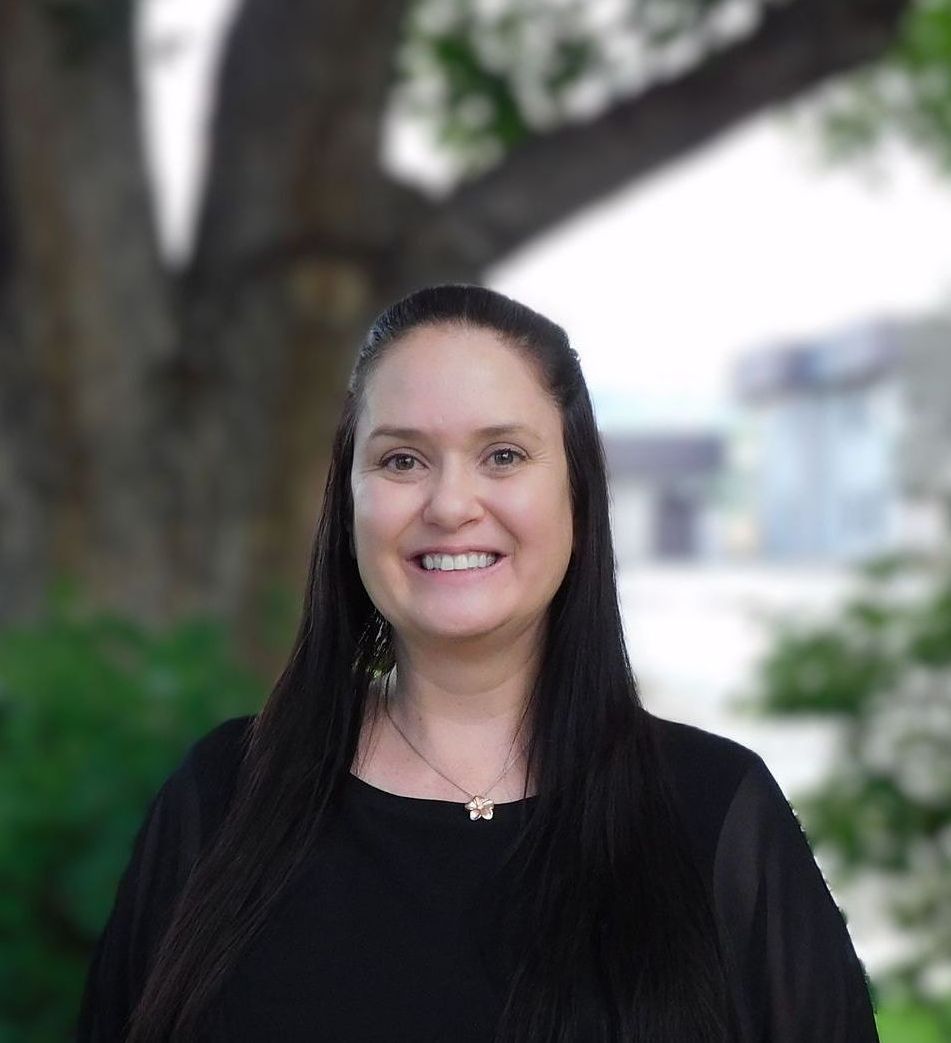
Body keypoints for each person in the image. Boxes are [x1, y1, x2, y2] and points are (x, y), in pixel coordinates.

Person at [77, 284, 879, 1042]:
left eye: (502, 455)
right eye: (401, 460)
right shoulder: (221, 797)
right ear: (347, 498)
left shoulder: (714, 811)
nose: (451, 504)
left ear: (577, 493)